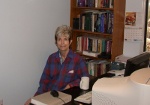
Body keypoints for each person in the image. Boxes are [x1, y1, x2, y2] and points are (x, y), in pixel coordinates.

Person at [24, 25, 90, 105]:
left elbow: (85, 80)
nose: (62, 43)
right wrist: (34, 98)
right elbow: (44, 82)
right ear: (56, 42)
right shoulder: (51, 58)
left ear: (70, 41)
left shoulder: (78, 60)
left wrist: (70, 85)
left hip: (65, 99)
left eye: (65, 39)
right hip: (48, 96)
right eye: (59, 39)